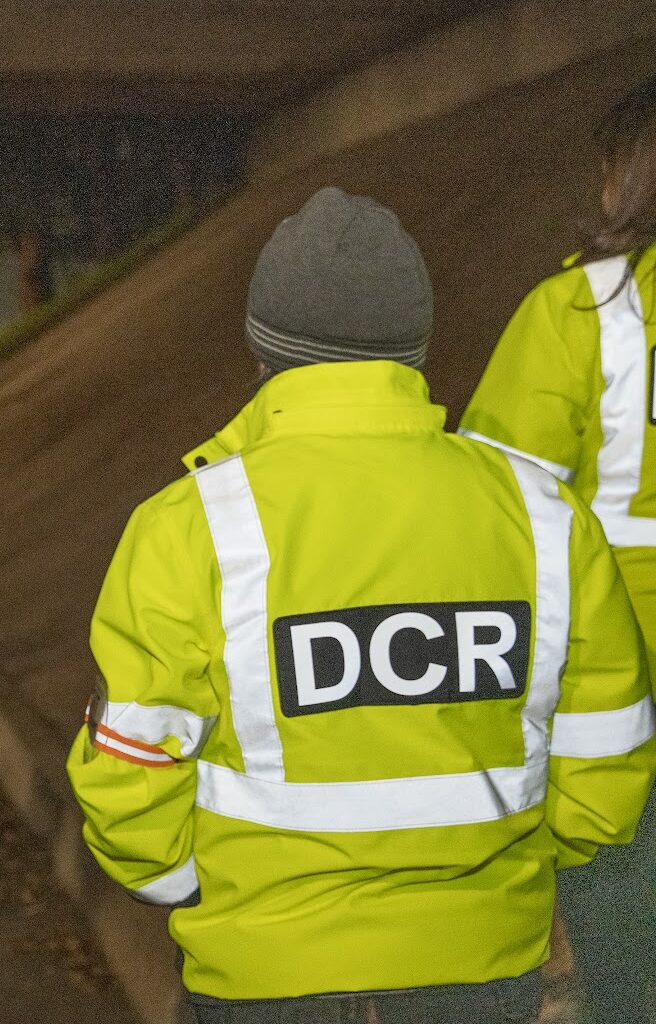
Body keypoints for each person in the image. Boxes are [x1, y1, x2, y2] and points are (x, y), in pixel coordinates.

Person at [67, 186, 656, 1023]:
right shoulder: (544, 516)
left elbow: (130, 775)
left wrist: (196, 886)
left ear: (263, 348)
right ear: (410, 350)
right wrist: (510, 871)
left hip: (266, 974)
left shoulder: (191, 526)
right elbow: (606, 764)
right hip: (485, 967)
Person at [459, 74, 656, 1023]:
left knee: (628, 949)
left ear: (628, 178)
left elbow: (495, 516)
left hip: (615, 694)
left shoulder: (585, 311)